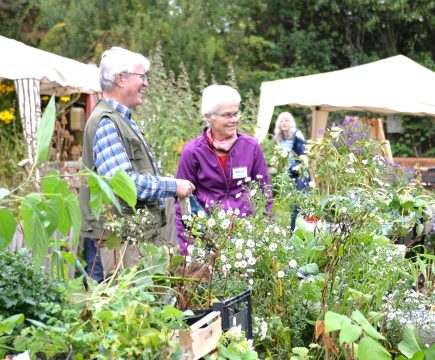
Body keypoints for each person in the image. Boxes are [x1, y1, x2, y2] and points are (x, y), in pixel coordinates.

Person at [80, 46, 195, 277]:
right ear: (121, 79)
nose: (146, 84)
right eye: (142, 77)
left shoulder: (121, 120)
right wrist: (173, 187)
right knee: (129, 307)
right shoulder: (107, 123)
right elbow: (125, 185)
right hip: (122, 243)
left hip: (133, 238)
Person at [175, 85, 272, 254]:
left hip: (245, 237)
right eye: (227, 115)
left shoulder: (251, 147)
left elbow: (265, 195)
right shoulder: (193, 151)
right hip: (206, 236)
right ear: (208, 117)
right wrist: (187, 249)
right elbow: (182, 203)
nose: (234, 120)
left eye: (236, 113)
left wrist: (265, 234)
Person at [273, 112, 309, 229]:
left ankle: (295, 230)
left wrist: (298, 168)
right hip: (289, 174)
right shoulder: (280, 137)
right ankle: (295, 231)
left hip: (300, 174)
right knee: (292, 204)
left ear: (291, 123)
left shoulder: (297, 134)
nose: (284, 123)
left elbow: (304, 155)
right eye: (282, 121)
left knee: (298, 204)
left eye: (286, 120)